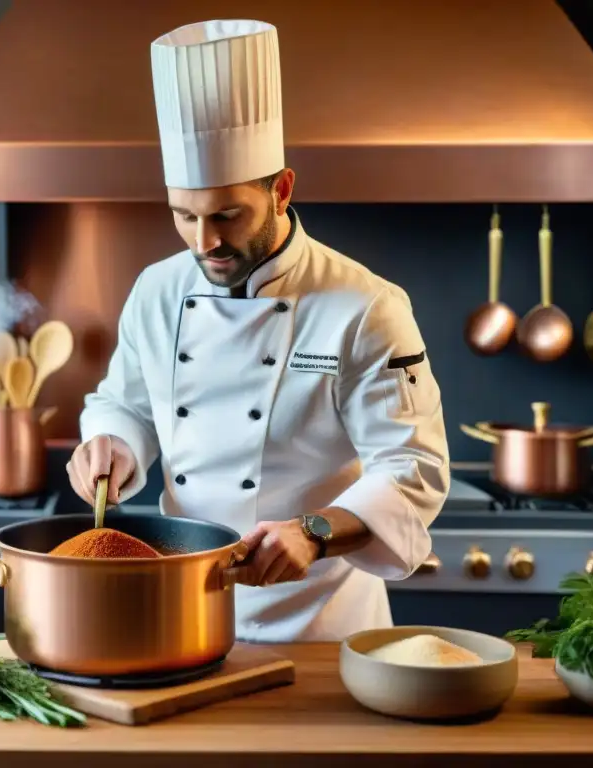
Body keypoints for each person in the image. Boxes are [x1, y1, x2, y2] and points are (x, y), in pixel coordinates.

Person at [66, 19, 450, 642]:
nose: (205, 241)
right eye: (183, 216)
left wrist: (314, 532)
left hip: (321, 626)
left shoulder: (364, 306)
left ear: (281, 189)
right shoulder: (157, 290)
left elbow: (414, 466)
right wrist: (111, 441)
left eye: (227, 214)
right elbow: (124, 401)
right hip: (183, 611)